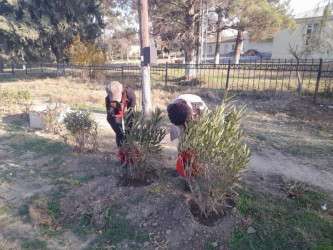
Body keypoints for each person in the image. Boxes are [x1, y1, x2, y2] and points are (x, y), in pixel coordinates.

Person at [105, 81, 136, 148]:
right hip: (116, 111)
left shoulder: (129, 92)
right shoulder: (108, 99)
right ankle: (121, 150)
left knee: (129, 129)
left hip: (128, 107)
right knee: (119, 132)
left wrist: (129, 128)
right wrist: (120, 134)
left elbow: (132, 109)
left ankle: (129, 148)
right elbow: (110, 117)